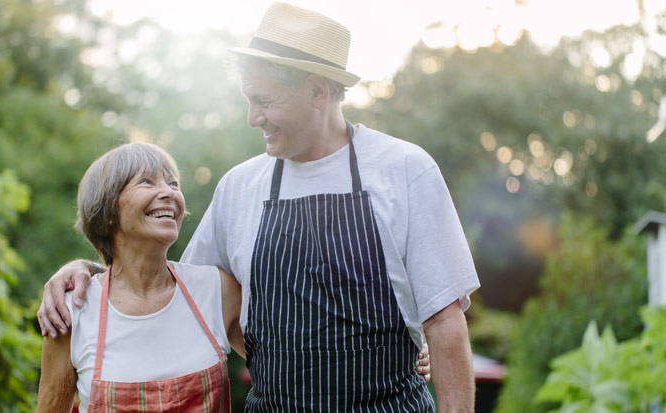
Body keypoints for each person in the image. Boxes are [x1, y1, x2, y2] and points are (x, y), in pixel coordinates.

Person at [38, 2, 477, 411]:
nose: (252, 118)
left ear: (318, 91)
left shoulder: (403, 169)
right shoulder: (240, 187)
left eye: (264, 101)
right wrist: (85, 270)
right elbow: (170, 289)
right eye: (249, 100)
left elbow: (445, 323)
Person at [37, 142, 243, 412]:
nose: (169, 192)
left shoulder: (218, 290)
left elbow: (280, 375)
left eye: (173, 183)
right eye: (147, 181)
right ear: (109, 211)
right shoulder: (73, 312)